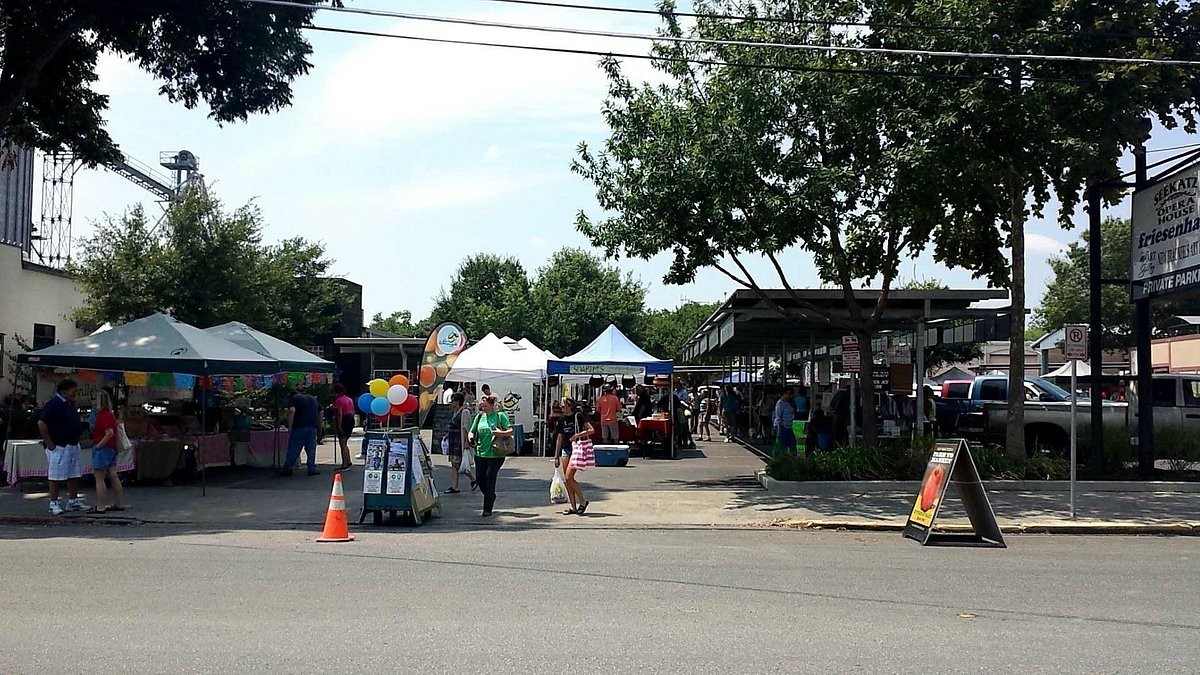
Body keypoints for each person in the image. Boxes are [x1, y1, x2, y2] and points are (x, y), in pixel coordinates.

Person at [37, 379, 87, 515]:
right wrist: (49, 443)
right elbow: (42, 423)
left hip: (72, 444)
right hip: (59, 445)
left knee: (74, 474)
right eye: (73, 392)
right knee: (56, 475)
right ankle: (53, 503)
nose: (75, 394)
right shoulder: (54, 404)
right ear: (64, 391)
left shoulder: (69, 404)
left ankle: (73, 501)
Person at [467, 396, 513, 517]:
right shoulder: (479, 417)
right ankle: (491, 495)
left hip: (495, 453)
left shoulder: (500, 416)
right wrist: (470, 437)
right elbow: (471, 431)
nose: (483, 407)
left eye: (485, 405)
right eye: (482, 405)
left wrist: (499, 433)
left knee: (490, 478)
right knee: (480, 479)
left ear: (492, 405)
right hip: (480, 452)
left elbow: (510, 431)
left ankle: (487, 508)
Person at [553, 398, 595, 515]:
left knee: (568, 477)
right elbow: (560, 437)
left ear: (569, 406)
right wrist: (556, 456)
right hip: (566, 449)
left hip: (577, 447)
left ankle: (582, 500)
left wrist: (577, 435)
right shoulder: (561, 419)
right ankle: (573, 506)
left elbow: (591, 430)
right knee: (568, 480)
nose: (561, 408)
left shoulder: (579, 416)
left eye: (563, 406)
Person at [88, 390, 126, 513]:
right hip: (112, 448)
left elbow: (109, 433)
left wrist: (98, 445)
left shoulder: (102, 415)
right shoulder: (110, 414)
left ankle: (101, 505)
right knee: (113, 475)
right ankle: (119, 503)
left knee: (99, 478)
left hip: (103, 448)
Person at [279, 382, 321, 476]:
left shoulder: (294, 398)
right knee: (311, 449)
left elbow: (291, 411)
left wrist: (289, 426)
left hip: (299, 426)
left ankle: (288, 468)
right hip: (312, 426)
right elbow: (320, 412)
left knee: (294, 448)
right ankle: (311, 468)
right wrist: (319, 426)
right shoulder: (313, 399)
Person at [444, 393, 477, 494]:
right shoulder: (455, 412)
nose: (451, 403)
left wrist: (467, 442)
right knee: (454, 463)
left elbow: (466, 427)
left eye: (453, 401)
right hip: (453, 439)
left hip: (460, 440)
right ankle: (455, 486)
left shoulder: (464, 412)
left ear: (457, 402)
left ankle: (473, 479)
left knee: (459, 463)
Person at [332, 384, 356, 471]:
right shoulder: (349, 399)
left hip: (344, 419)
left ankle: (344, 463)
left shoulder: (339, 400)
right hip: (350, 419)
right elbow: (353, 411)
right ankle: (348, 460)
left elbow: (339, 414)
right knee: (345, 442)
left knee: (342, 443)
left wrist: (338, 426)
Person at [773, 388, 797, 455]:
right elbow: (778, 417)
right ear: (783, 394)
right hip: (783, 426)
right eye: (787, 394)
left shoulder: (788, 403)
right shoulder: (780, 404)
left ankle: (790, 456)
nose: (789, 396)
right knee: (783, 444)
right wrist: (779, 429)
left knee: (792, 443)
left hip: (789, 426)